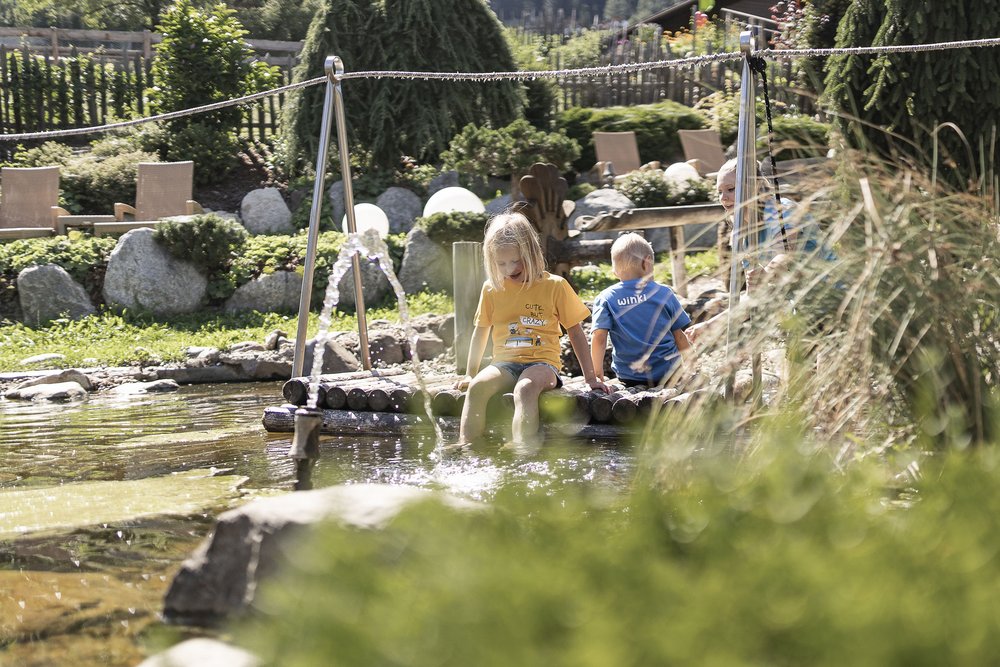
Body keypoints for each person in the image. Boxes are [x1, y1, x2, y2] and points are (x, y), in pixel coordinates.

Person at [455, 212, 609, 447]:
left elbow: (575, 332)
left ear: (531, 253)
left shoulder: (554, 286)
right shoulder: (491, 289)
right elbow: (481, 331)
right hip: (504, 364)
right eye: (501, 263)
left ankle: (522, 449)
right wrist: (470, 373)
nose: (510, 269)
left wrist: (590, 377)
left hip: (542, 365)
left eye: (516, 261)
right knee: (477, 387)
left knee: (525, 389)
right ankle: (467, 446)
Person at [590, 233, 692, 387]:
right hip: (669, 373)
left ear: (614, 271)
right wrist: (691, 365)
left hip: (629, 376)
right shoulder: (664, 293)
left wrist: (597, 375)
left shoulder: (606, 297)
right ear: (647, 263)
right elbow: (679, 336)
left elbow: (599, 337)